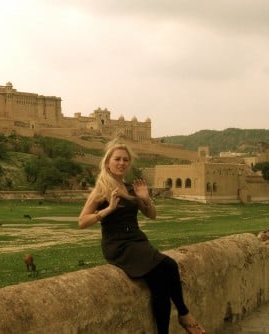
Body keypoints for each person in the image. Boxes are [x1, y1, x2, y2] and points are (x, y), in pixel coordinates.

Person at [78, 140, 205, 334]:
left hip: (137, 242)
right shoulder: (101, 190)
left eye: (125, 160)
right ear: (107, 163)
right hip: (118, 246)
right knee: (168, 265)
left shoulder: (130, 188)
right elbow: (82, 221)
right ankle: (185, 315)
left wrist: (145, 199)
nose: (121, 163)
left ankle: (170, 326)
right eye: (117, 159)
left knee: (159, 284)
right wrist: (108, 210)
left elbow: (152, 215)